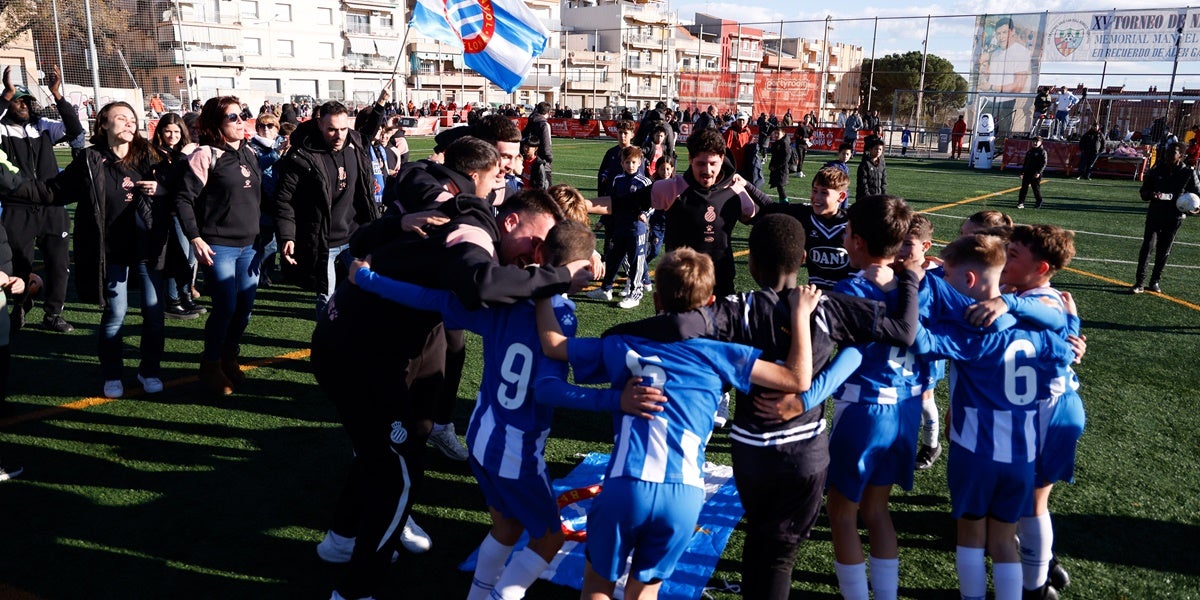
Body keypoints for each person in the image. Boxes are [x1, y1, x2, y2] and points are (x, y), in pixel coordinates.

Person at [311, 151, 591, 600]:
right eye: (536, 243)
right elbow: (479, 286)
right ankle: (356, 589)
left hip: (384, 338)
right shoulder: (476, 239)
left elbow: (435, 289)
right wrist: (558, 277)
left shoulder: (465, 214)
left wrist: (374, 264)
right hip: (358, 350)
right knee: (398, 470)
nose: (536, 257)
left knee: (399, 442)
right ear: (512, 221)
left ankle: (342, 539)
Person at [347, 220, 649, 600]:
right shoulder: (561, 316)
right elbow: (547, 389)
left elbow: (434, 299)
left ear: (540, 255)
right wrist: (611, 400)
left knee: (506, 526)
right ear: (586, 268)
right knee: (550, 537)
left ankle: (480, 593)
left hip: (481, 432)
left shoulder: (505, 299)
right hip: (517, 447)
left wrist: (369, 280)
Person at [534, 247, 819, 600]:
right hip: (683, 496)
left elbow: (553, 346)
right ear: (711, 301)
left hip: (627, 485)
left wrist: (543, 288)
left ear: (656, 299)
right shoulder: (721, 353)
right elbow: (797, 379)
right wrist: (801, 316)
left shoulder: (622, 342)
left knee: (597, 585)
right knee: (644, 592)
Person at [710, 214, 919, 599]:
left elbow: (677, 330)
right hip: (803, 453)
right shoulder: (829, 306)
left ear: (751, 260)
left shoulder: (734, 307)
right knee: (779, 557)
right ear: (804, 257)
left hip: (750, 449)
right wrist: (910, 276)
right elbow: (903, 332)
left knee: (759, 534)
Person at [909, 234, 1077, 600]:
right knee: (1003, 540)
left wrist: (920, 289)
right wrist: (1073, 323)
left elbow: (919, 339)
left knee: (970, 536)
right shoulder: (1039, 330)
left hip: (975, 451)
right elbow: (1066, 349)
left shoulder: (973, 335)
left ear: (969, 281)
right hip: (1022, 455)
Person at [966, 224, 1084, 598]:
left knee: (1033, 502)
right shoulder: (1024, 293)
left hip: (1053, 410)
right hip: (1037, 408)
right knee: (1024, 501)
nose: (1004, 260)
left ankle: (1035, 586)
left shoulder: (1045, 299)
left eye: (1013, 255)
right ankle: (1045, 566)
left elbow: (1049, 313)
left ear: (1042, 268)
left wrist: (1006, 302)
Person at [824, 194, 919, 600]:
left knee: (841, 513)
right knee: (877, 510)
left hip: (864, 409)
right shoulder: (918, 285)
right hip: (905, 408)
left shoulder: (849, 289)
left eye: (846, 232)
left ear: (857, 240)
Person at [44, 101, 172, 399]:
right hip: (110, 251)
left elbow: (179, 190)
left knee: (154, 314)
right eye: (121, 118)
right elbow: (56, 191)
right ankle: (112, 374)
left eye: (132, 119)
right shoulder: (91, 158)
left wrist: (161, 189)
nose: (129, 123)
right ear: (103, 124)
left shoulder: (151, 156)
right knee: (116, 312)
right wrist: (15, 187)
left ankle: (149, 370)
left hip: (147, 249)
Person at [173, 96, 264, 395]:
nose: (241, 122)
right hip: (219, 246)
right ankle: (210, 364)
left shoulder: (249, 152)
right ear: (216, 124)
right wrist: (195, 237)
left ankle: (229, 357)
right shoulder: (204, 155)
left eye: (243, 115)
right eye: (233, 118)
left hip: (250, 245)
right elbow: (183, 199)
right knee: (225, 306)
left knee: (245, 310)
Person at [274, 101, 382, 318]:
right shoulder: (302, 156)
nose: (339, 135)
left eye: (343, 129)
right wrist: (287, 235)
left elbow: (368, 132)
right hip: (323, 241)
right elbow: (284, 200)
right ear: (319, 125)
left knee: (371, 288)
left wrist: (379, 106)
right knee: (326, 296)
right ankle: (327, 342)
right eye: (332, 129)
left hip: (355, 237)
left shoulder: (356, 145)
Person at [0, 65, 84, 333]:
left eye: (27, 101)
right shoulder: (1, 130)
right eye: (18, 101)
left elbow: (74, 129)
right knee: (19, 262)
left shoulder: (44, 126)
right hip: (18, 205)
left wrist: (57, 95)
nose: (23, 105)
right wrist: (5, 95)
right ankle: (20, 305)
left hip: (52, 204)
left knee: (58, 264)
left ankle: (53, 314)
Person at [150, 113, 206, 319]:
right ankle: (172, 300)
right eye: (167, 131)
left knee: (190, 260)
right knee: (178, 259)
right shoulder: (155, 152)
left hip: (190, 211)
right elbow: (166, 180)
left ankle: (185, 297)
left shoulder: (188, 150)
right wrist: (183, 156)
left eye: (176, 131)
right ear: (160, 132)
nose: (172, 135)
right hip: (170, 212)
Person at [763, 166, 852, 290]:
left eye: (824, 192)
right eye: (815, 190)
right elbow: (770, 206)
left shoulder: (853, 223)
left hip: (845, 299)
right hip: (815, 298)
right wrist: (745, 184)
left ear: (841, 196)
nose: (816, 197)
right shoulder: (805, 215)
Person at [587, 146, 652, 308]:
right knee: (613, 257)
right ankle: (606, 289)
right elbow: (613, 203)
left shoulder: (644, 182)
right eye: (627, 162)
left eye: (634, 162)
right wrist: (603, 219)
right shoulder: (618, 179)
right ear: (622, 163)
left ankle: (636, 293)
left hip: (637, 229)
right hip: (619, 226)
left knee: (636, 260)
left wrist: (645, 213)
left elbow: (653, 203)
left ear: (639, 163)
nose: (630, 165)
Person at [1131, 141, 1199, 294]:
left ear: (1180, 155)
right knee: (1147, 247)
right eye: (1167, 151)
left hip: (1174, 217)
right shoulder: (1156, 170)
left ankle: (1154, 282)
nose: (1168, 155)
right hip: (1155, 214)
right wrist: (1152, 195)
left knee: (1164, 250)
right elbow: (1143, 192)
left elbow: (1197, 196)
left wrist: (1194, 209)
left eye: (1172, 152)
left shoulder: (1188, 173)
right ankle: (1139, 283)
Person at [980, 17, 1032, 93]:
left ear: (1013, 32)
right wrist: (985, 74)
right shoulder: (995, 53)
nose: (1001, 37)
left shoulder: (1022, 52)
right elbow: (992, 78)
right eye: (998, 33)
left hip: (1006, 101)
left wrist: (991, 87)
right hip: (989, 99)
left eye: (1005, 32)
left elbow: (1018, 86)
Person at [1018, 136, 1048, 209]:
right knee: (1023, 188)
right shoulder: (1030, 151)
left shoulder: (1042, 152)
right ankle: (1021, 203)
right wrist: (1022, 172)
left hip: (1035, 174)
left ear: (1040, 143)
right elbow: (1025, 163)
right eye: (1033, 141)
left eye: (1036, 142)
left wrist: (1038, 172)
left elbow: (1044, 163)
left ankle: (1039, 201)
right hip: (1027, 172)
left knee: (1036, 189)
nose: (1034, 143)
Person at [856, 137, 887, 202]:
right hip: (865, 198)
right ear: (870, 149)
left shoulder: (882, 163)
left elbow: (883, 182)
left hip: (878, 197)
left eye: (880, 149)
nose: (878, 151)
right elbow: (863, 183)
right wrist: (868, 197)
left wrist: (884, 195)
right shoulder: (865, 164)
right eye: (876, 149)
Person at [523, 101, 553, 167]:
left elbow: (524, 136)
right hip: (542, 159)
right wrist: (549, 157)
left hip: (531, 155)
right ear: (548, 112)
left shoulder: (531, 120)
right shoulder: (544, 124)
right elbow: (546, 143)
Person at [723, 112, 754, 176]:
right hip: (734, 163)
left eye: (743, 120)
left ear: (747, 121)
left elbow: (750, 143)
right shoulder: (731, 131)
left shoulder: (748, 131)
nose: (741, 122)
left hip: (744, 162)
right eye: (739, 120)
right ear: (736, 120)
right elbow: (726, 148)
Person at [767, 127, 792, 203]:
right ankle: (782, 203)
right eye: (775, 133)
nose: (776, 135)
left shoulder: (784, 143)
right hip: (778, 169)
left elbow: (786, 158)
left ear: (783, 134)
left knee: (780, 187)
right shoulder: (778, 142)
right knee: (779, 187)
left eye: (778, 133)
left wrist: (775, 167)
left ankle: (785, 204)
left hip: (782, 170)